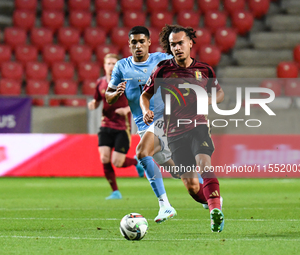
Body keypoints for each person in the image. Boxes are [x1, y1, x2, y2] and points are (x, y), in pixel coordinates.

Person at [140, 24, 225, 232]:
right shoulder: (163, 70)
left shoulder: (204, 70)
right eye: (172, 45)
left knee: (204, 163)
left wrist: (211, 100)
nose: (177, 47)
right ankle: (213, 199)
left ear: (189, 43)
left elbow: (220, 92)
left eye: (180, 43)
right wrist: (145, 110)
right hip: (174, 133)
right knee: (192, 186)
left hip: (198, 126)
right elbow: (145, 95)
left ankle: (216, 212)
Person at [105, 26, 177, 223]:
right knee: (174, 168)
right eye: (134, 42)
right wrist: (115, 93)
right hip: (143, 124)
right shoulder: (121, 66)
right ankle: (207, 190)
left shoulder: (160, 60)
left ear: (148, 43)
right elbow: (108, 96)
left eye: (141, 41)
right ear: (129, 44)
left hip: (165, 118)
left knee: (142, 153)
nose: (138, 45)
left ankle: (165, 205)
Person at [88, 53, 145, 200]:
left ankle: (135, 162)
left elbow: (140, 101)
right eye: (109, 63)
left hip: (122, 128)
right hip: (105, 125)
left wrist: (126, 110)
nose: (111, 66)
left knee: (117, 162)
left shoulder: (127, 82)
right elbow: (96, 100)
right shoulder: (100, 83)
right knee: (104, 158)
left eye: (114, 64)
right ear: (104, 66)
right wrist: (93, 105)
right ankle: (115, 192)